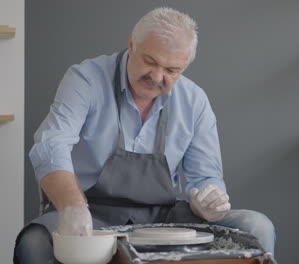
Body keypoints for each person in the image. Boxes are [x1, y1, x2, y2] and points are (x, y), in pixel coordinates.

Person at [14, 7, 275, 263]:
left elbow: (206, 177)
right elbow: (50, 145)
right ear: (131, 44)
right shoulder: (86, 79)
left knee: (255, 226)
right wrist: (72, 205)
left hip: (165, 217)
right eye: (150, 61)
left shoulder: (194, 100)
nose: (157, 76)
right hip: (90, 211)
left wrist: (209, 201)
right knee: (35, 243)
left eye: (172, 70)